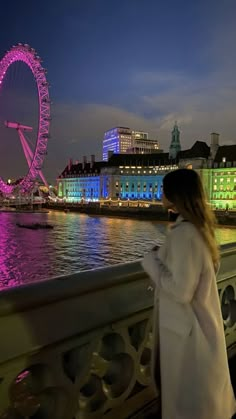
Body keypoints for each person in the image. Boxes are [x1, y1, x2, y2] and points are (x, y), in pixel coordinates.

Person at [142, 168, 236, 419]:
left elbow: (181, 291)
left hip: (186, 335)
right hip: (200, 331)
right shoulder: (201, 231)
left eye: (164, 189)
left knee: (183, 404)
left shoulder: (184, 235)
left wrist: (151, 261)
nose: (160, 194)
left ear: (175, 195)